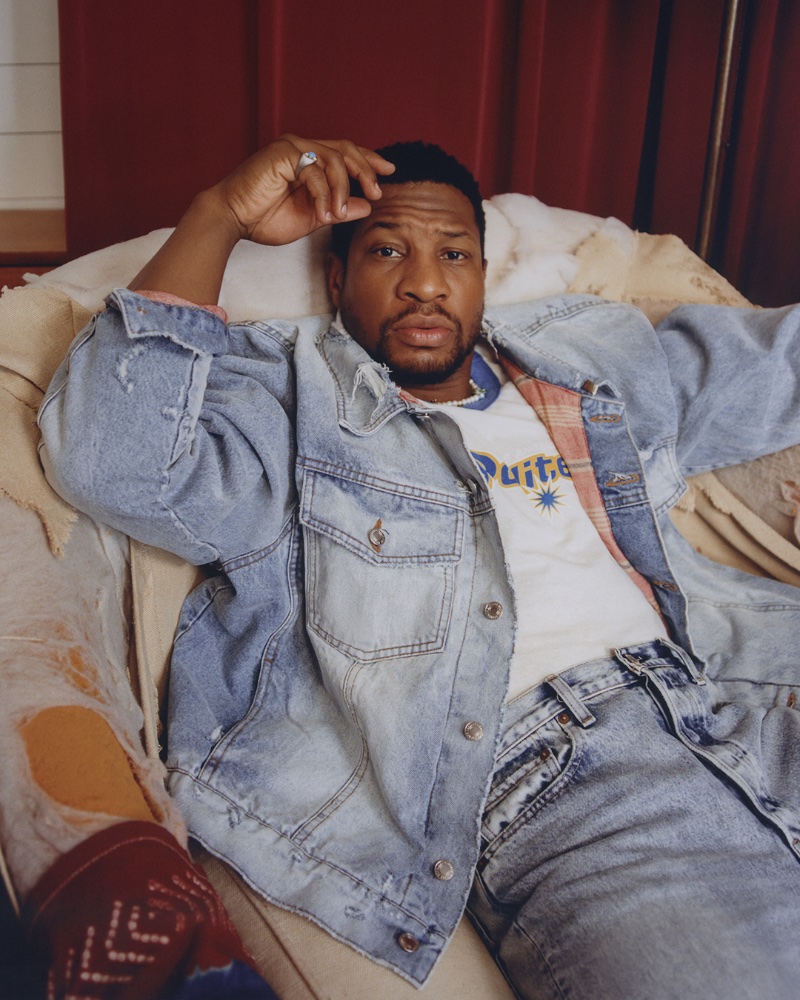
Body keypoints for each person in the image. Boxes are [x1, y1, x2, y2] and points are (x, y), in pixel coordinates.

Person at [38, 134, 800, 1000]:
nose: (426, 282)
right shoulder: (290, 407)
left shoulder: (589, 359)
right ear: (336, 281)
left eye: (454, 254)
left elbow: (775, 369)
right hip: (556, 777)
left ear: (481, 272)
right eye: (388, 250)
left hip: (744, 694)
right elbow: (112, 459)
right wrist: (219, 217)